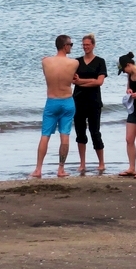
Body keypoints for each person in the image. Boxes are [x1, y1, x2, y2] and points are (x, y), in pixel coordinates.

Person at [31, 35, 80, 178]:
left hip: (52, 101)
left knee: (45, 135)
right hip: (67, 101)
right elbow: (72, 77)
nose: (71, 46)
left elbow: (48, 72)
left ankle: (38, 169)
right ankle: (61, 169)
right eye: (70, 44)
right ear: (65, 46)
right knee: (65, 135)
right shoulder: (74, 63)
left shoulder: (46, 61)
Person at [71, 33, 107, 174]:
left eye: (88, 44)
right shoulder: (76, 62)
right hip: (78, 101)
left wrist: (82, 82)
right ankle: (82, 163)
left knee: (95, 132)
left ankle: (101, 163)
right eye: (84, 45)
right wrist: (86, 82)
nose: (85, 47)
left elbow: (99, 82)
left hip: (94, 102)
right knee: (80, 133)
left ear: (93, 45)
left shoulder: (100, 61)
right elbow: (73, 80)